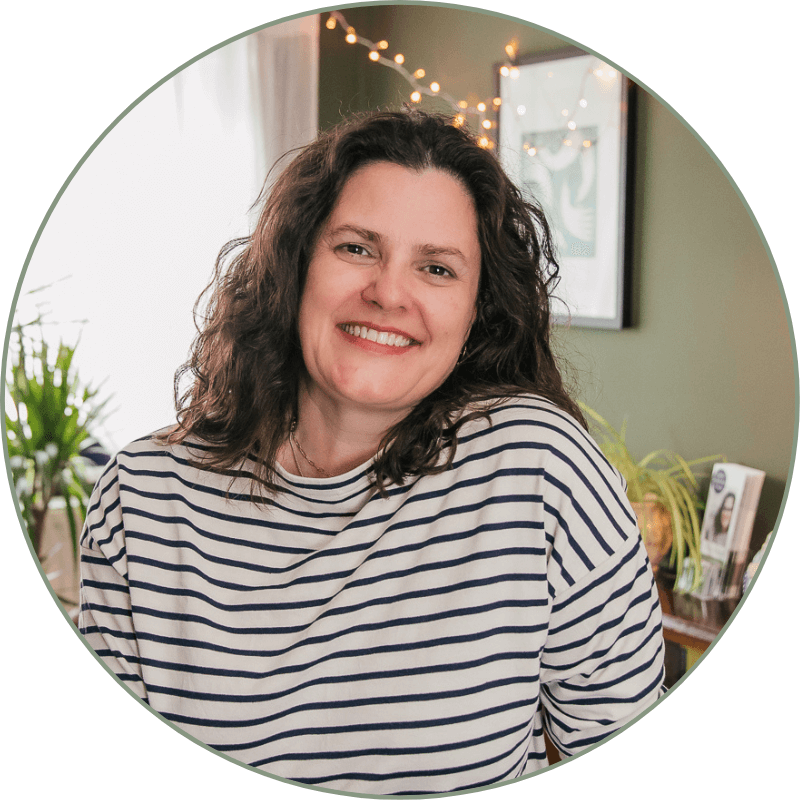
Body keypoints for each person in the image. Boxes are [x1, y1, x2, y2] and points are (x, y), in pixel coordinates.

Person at [79, 108, 664, 794]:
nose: (389, 292)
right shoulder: (141, 498)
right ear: (295, 265)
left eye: (437, 268)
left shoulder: (539, 473)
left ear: (477, 311)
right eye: (357, 248)